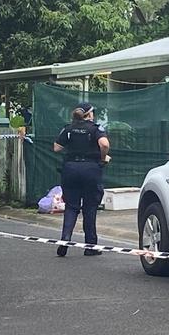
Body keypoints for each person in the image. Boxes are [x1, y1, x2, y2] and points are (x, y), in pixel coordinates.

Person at [53, 102, 110, 257]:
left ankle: (65, 240)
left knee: (71, 206)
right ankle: (90, 246)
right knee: (90, 208)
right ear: (89, 114)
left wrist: (74, 148)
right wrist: (103, 158)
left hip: (70, 169)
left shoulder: (69, 128)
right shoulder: (95, 128)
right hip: (90, 169)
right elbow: (104, 144)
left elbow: (57, 147)